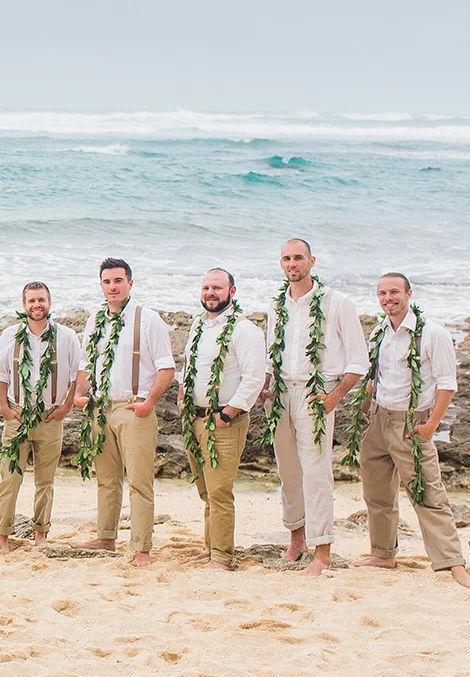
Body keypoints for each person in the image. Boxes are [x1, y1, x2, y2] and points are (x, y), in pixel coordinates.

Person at [347, 273, 470, 588]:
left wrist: (431, 425)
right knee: (377, 494)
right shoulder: (379, 332)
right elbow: (373, 377)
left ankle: (452, 563)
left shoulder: (433, 334)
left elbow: (447, 384)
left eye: (394, 292)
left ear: (409, 293)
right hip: (378, 422)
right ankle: (382, 554)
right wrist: (364, 409)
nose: (388, 298)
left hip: (412, 423)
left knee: (428, 494)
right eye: (382, 293)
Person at [261, 239, 368, 576]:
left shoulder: (337, 303)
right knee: (288, 471)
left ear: (312, 261)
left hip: (316, 395)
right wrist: (264, 388)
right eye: (287, 259)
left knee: (316, 472)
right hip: (280, 396)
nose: (293, 264)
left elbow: (358, 361)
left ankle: (323, 551)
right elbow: (269, 354)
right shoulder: (276, 305)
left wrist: (334, 397)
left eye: (298, 258)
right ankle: (297, 539)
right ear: (281, 264)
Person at [72, 258, 175, 567]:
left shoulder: (148, 319)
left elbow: (167, 368)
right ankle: (105, 538)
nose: (112, 287)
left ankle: (142, 548)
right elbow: (86, 365)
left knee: (140, 481)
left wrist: (148, 403)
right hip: (100, 408)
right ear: (101, 285)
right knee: (106, 478)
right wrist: (79, 394)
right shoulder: (94, 321)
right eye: (107, 282)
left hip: (134, 408)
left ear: (130, 283)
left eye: (118, 281)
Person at [178, 269, 266, 571]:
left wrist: (229, 413)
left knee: (219, 491)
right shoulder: (197, 326)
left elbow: (255, 378)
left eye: (217, 287)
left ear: (232, 291)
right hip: (195, 419)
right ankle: (211, 548)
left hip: (224, 422)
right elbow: (190, 365)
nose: (210, 293)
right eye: (205, 287)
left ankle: (223, 556)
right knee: (205, 490)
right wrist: (182, 397)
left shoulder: (245, 330)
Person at [0, 281, 82, 552]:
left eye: (41, 300)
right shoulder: (11, 335)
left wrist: (66, 407)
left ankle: (41, 532)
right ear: (24, 305)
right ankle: (3, 533)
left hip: (50, 418)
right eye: (31, 301)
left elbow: (78, 375)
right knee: (10, 477)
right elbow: (0, 374)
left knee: (45, 480)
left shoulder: (66, 336)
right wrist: (5, 409)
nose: (36, 305)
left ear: (49, 303)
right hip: (17, 416)